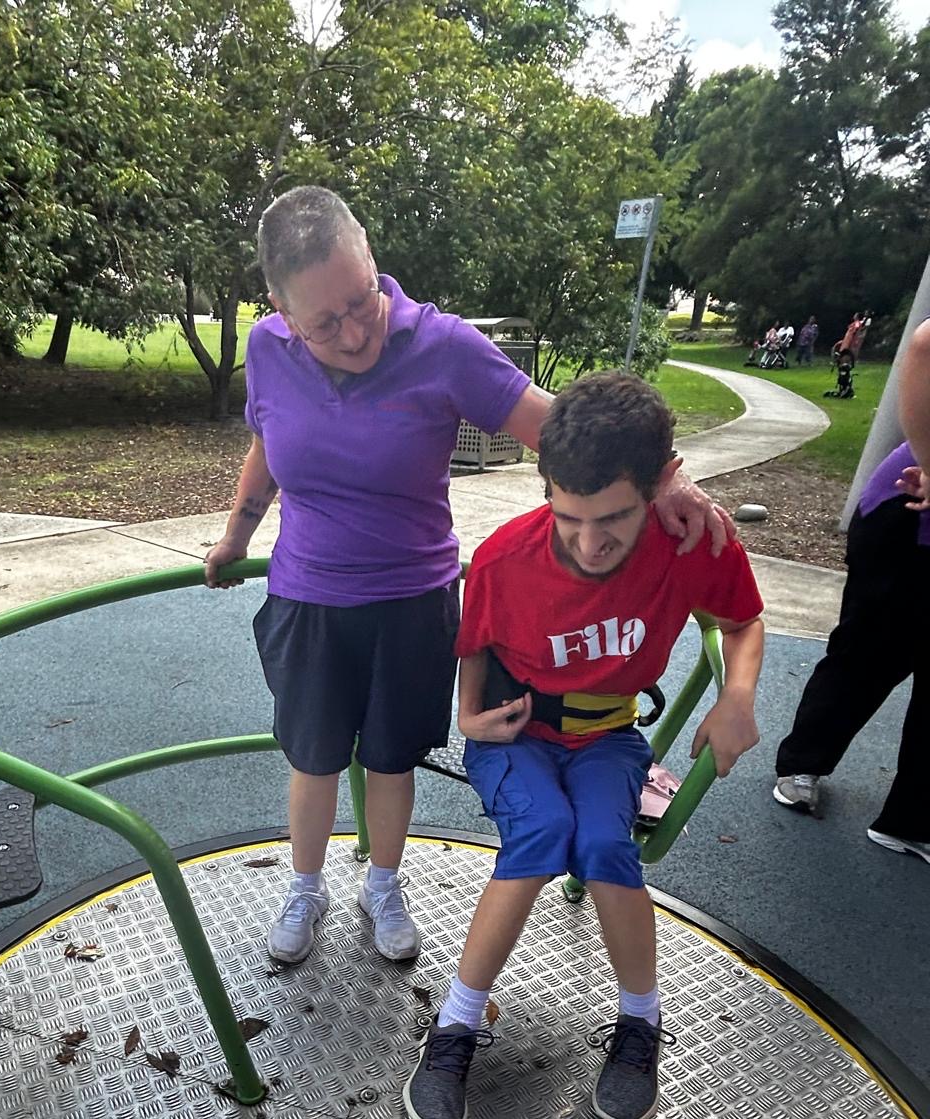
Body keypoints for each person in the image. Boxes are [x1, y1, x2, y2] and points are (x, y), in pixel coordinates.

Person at [203, 187, 735, 966]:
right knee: (312, 756)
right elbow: (268, 446)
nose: (354, 333)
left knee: (388, 756)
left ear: (373, 262)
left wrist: (665, 479)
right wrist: (235, 534)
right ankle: (306, 886)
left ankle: (383, 884)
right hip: (309, 595)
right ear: (281, 310)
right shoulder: (268, 352)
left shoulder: (442, 346)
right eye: (325, 322)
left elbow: (560, 430)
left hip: (412, 599)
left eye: (360, 302)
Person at [403, 372, 764, 1119]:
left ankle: (640, 1026)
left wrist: (737, 699)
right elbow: (476, 646)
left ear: (659, 487)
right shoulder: (508, 558)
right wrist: (470, 717)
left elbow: (742, 621)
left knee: (603, 841)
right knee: (541, 836)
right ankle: (455, 1026)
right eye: (568, 517)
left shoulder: (688, 540)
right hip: (520, 732)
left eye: (613, 520)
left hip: (608, 734)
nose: (589, 542)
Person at [773, 318, 930, 863]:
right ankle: (802, 762)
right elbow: (925, 342)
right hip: (910, 518)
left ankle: (912, 818)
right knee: (869, 651)